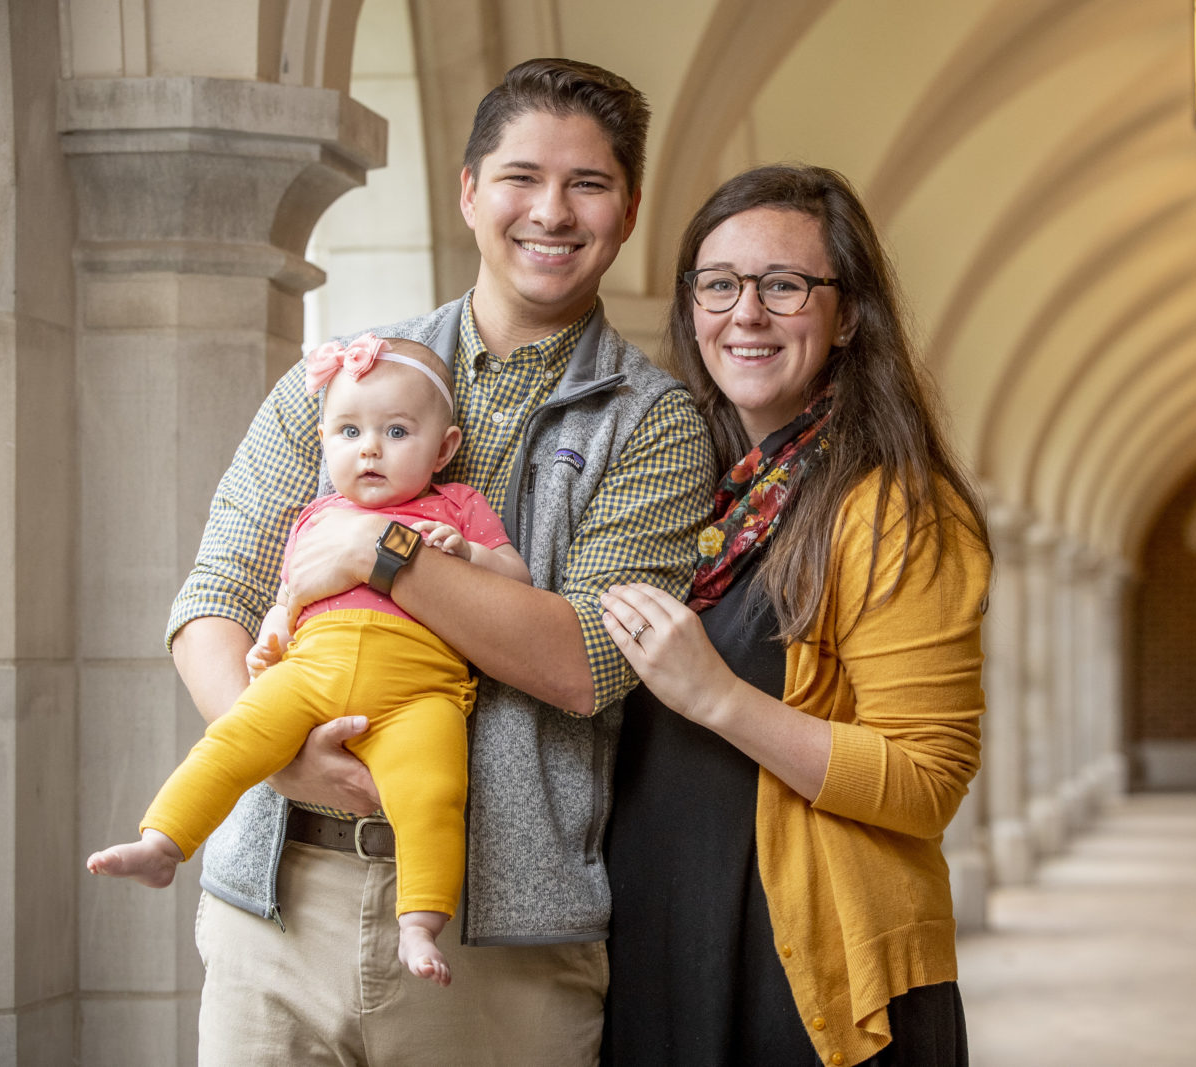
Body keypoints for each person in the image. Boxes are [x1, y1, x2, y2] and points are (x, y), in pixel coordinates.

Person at [164, 59, 714, 1065]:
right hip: (278, 907)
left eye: (587, 184)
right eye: (520, 176)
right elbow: (215, 593)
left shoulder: (656, 424)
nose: (550, 210)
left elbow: (588, 662)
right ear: (467, 191)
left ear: (627, 211)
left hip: (499, 939)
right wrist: (279, 752)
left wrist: (385, 550)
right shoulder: (347, 374)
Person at [599, 163, 992, 1067]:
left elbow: (927, 778)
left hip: (806, 979)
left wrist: (719, 697)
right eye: (720, 284)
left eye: (784, 285)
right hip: (665, 952)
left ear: (848, 314)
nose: (747, 314)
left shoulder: (896, 507)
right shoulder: (698, 494)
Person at [90, 335, 529, 988]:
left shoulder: (456, 507)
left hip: (420, 693)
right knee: (231, 739)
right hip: (308, 674)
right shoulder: (317, 514)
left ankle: (419, 918)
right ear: (324, 440)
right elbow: (288, 595)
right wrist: (270, 640)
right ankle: (163, 842)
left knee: (434, 790)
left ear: (443, 448)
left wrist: (467, 553)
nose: (370, 447)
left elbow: (515, 578)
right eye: (349, 430)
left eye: (397, 431)